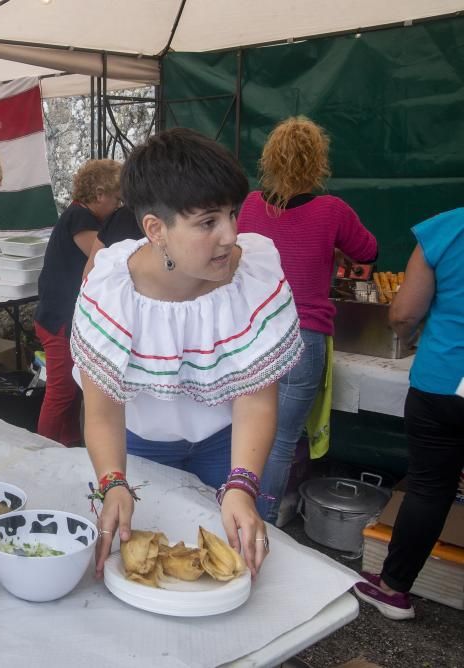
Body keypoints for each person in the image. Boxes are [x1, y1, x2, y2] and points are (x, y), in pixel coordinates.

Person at [73, 128, 305, 577]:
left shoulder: (252, 276)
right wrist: (112, 482)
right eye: (207, 222)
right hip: (137, 445)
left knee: (225, 564)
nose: (230, 235)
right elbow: (101, 412)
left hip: (226, 445)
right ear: (156, 230)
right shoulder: (110, 289)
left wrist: (242, 483)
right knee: (145, 563)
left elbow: (255, 397)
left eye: (233, 214)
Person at [238, 116, 377, 524]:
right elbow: (368, 252)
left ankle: (233, 511)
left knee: (242, 428)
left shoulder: (248, 205)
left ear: (270, 159)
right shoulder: (332, 211)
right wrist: (332, 255)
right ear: (318, 162)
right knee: (282, 440)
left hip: (252, 336)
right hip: (305, 336)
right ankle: (260, 522)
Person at [354, 207, 464, 620]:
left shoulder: (446, 229)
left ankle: (393, 590)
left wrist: (411, 337)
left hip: (443, 381)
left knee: (429, 489)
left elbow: (403, 313)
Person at [34, 159, 122, 446]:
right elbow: (104, 260)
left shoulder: (78, 215)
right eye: (117, 198)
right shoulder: (80, 219)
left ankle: (69, 445)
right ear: (99, 195)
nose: (119, 205)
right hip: (59, 318)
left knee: (72, 386)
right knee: (61, 390)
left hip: (61, 316)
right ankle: (42, 449)